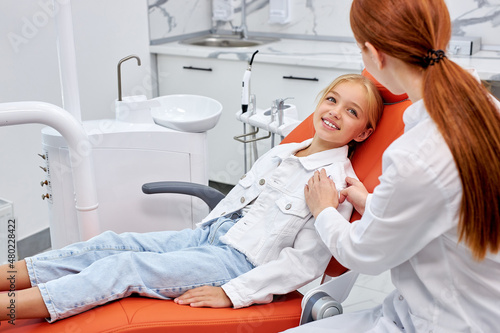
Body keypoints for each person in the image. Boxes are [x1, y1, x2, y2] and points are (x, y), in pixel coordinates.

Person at [0, 73, 383, 323]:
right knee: (111, 244)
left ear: (363, 133)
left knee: (125, 268)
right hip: (208, 236)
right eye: (332, 99)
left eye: (351, 111)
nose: (335, 112)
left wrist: (231, 293)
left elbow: (302, 265)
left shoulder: (332, 185)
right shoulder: (285, 151)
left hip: (237, 263)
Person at [286, 0, 500, 332]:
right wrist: (372, 203)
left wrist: (324, 210)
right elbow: (445, 206)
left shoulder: (415, 155)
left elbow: (364, 254)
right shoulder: (487, 106)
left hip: (448, 321)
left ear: (374, 54)